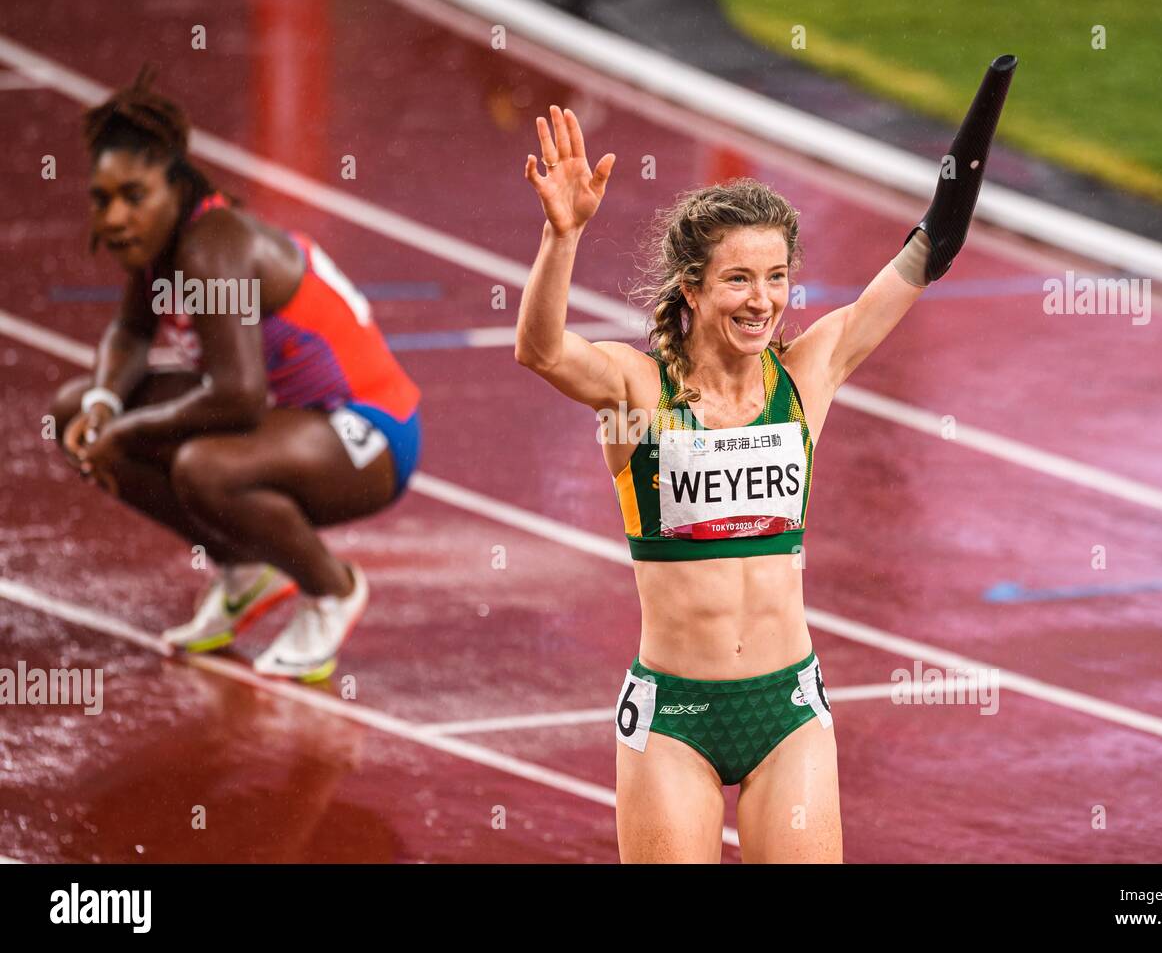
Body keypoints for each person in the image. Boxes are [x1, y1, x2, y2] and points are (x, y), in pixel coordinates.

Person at [515, 56, 1015, 862]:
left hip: (787, 711)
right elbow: (539, 350)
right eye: (739, 279)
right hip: (675, 719)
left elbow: (933, 246)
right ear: (691, 287)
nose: (762, 300)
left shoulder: (809, 371)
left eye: (777, 278)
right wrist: (560, 237)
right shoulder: (640, 391)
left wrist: (984, 108)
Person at [49, 65, 423, 682]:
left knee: (205, 467)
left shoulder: (213, 251)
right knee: (73, 411)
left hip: (373, 431)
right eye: (102, 199)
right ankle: (246, 570)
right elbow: (134, 332)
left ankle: (332, 590)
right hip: (292, 420)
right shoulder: (163, 244)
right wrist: (103, 406)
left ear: (177, 188)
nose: (114, 218)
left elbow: (239, 399)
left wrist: (127, 432)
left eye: (133, 197)